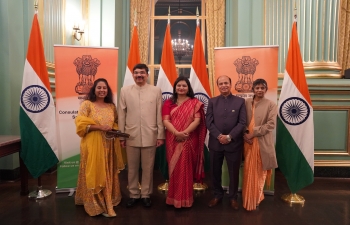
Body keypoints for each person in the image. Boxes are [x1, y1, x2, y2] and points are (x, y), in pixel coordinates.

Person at [75, 78, 124, 217]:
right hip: (91, 145)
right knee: (95, 171)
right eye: (99, 88)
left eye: (104, 88)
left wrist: (113, 129)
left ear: (107, 91)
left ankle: (108, 199)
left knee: (107, 171)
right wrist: (100, 127)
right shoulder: (87, 105)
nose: (102, 90)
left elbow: (115, 123)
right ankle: (96, 204)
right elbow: (80, 125)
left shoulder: (111, 106)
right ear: (94, 90)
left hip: (108, 145)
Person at [118, 63, 165, 208]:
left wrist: (160, 135)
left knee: (148, 168)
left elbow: (159, 113)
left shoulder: (156, 90)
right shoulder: (125, 90)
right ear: (133, 75)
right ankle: (133, 194)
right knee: (131, 168)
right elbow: (121, 114)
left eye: (142, 73)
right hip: (130, 135)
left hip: (150, 135)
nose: (139, 75)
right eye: (136, 73)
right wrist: (121, 136)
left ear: (147, 74)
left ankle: (145, 194)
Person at [162, 76, 207, 208]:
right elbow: (166, 121)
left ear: (188, 88)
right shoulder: (169, 103)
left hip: (189, 139)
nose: (181, 88)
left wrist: (185, 133)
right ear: (175, 88)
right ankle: (173, 198)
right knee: (174, 168)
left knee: (185, 168)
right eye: (179, 85)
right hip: (172, 138)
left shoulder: (195, 102)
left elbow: (197, 120)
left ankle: (185, 199)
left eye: (184, 86)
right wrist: (177, 133)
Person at [206, 75, 246, 210]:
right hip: (215, 143)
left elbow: (242, 123)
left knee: (233, 172)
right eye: (221, 83)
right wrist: (218, 136)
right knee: (215, 171)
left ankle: (233, 197)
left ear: (230, 84)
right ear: (218, 86)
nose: (223, 85)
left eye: (226, 83)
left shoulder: (240, 102)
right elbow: (208, 122)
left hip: (233, 144)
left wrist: (229, 137)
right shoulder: (212, 101)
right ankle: (217, 195)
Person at [242, 79, 278, 211]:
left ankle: (256, 198)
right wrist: (246, 133)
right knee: (248, 171)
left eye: (262, 88)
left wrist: (253, 133)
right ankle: (247, 197)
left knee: (259, 172)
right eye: (257, 88)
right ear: (253, 89)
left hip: (262, 142)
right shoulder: (246, 103)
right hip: (248, 142)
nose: (259, 90)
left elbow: (271, 125)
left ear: (266, 89)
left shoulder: (271, 105)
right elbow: (242, 120)